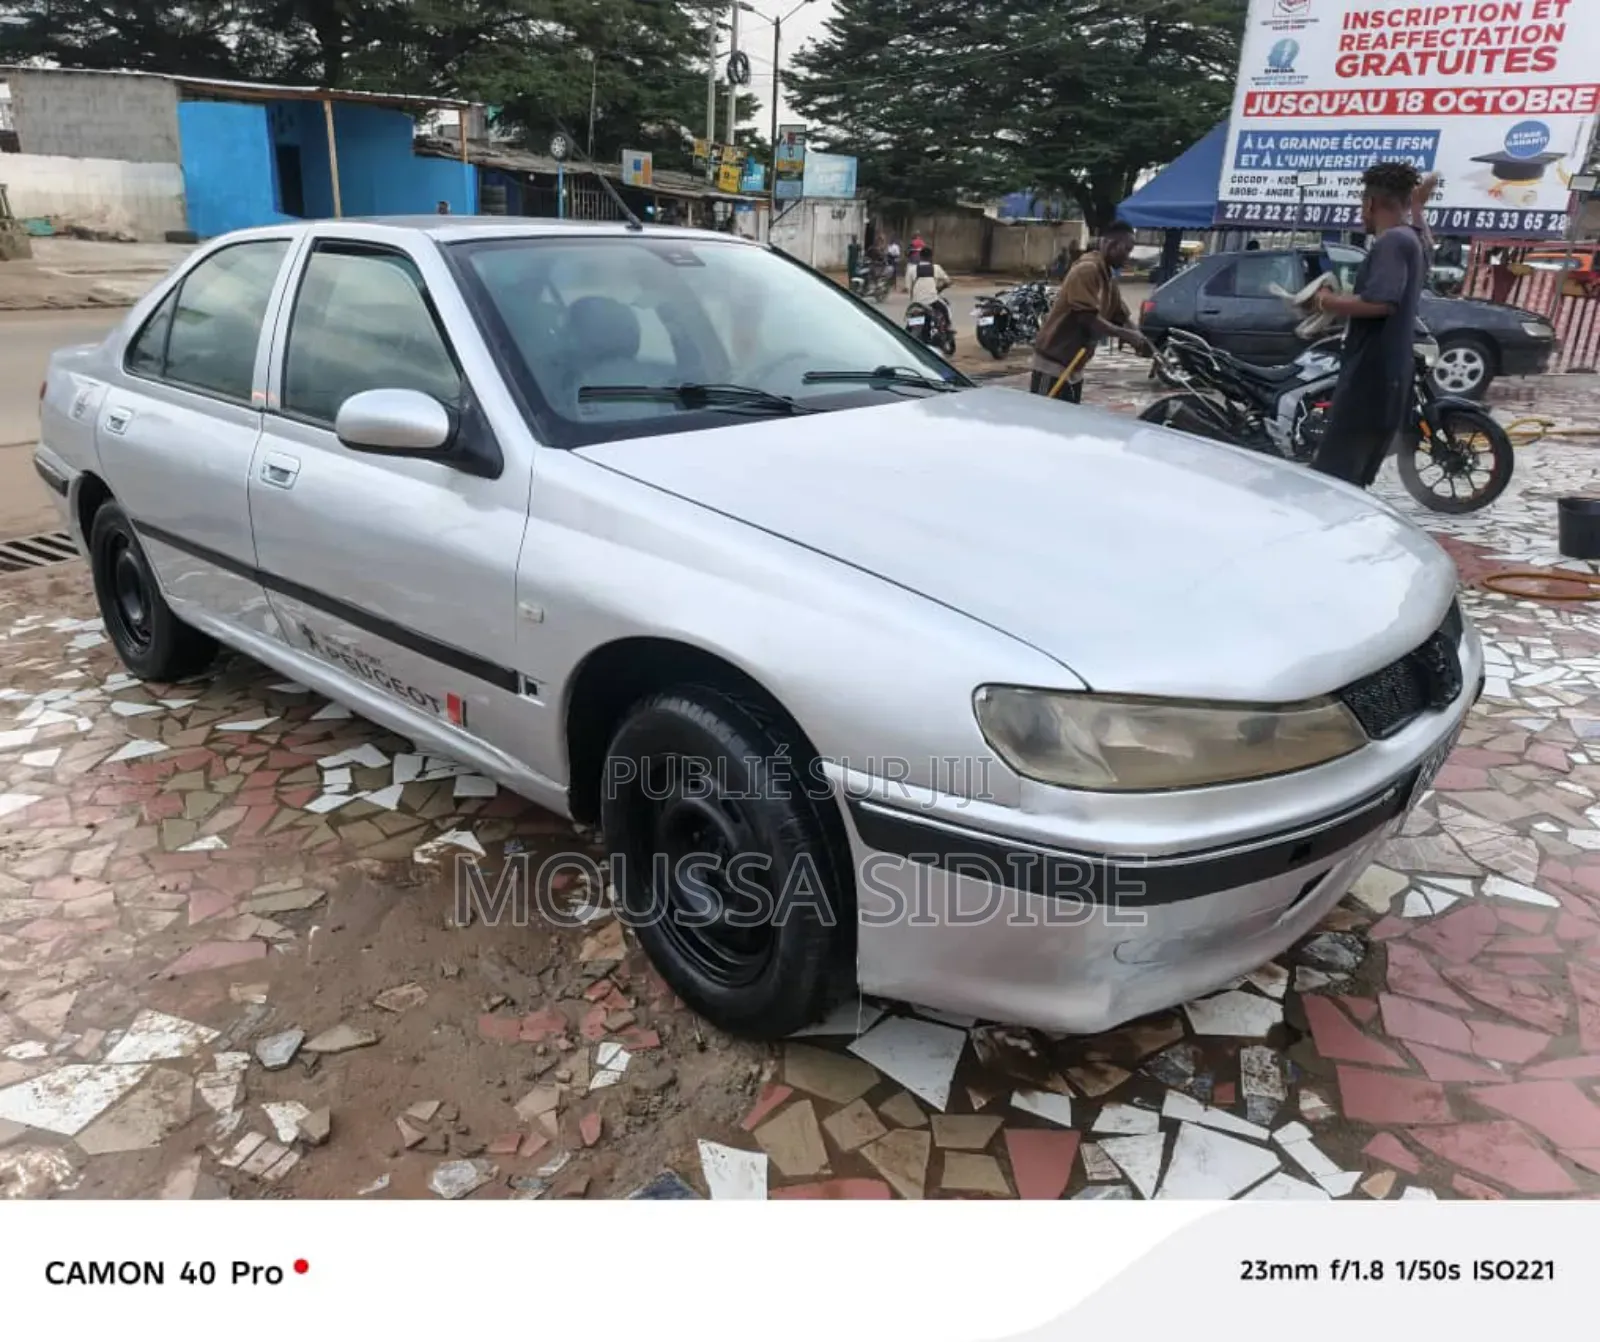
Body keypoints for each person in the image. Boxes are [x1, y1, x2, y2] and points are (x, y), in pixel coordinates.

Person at [1308, 161, 1430, 488]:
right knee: (1355, 480)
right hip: (1389, 377)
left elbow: (1381, 303)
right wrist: (1417, 208)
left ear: (1370, 204)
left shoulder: (1392, 242)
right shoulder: (1411, 240)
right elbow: (1426, 242)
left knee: (1335, 480)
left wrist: (1325, 301)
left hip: (1369, 377)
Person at [1029, 219, 1151, 402]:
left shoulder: (1107, 277)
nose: (1128, 257)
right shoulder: (1087, 270)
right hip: (1053, 364)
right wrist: (1128, 336)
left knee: (1065, 425)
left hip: (1074, 366)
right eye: (1126, 250)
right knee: (1045, 423)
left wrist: (1141, 340)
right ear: (1110, 244)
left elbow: (1121, 316)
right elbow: (1086, 318)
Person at [907, 245, 952, 331]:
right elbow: (948, 281)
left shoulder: (912, 269)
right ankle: (947, 327)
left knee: (910, 321)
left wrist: (913, 299)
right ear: (931, 257)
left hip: (916, 303)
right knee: (945, 308)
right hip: (931, 301)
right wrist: (941, 287)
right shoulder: (936, 268)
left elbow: (908, 287)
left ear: (920, 256)